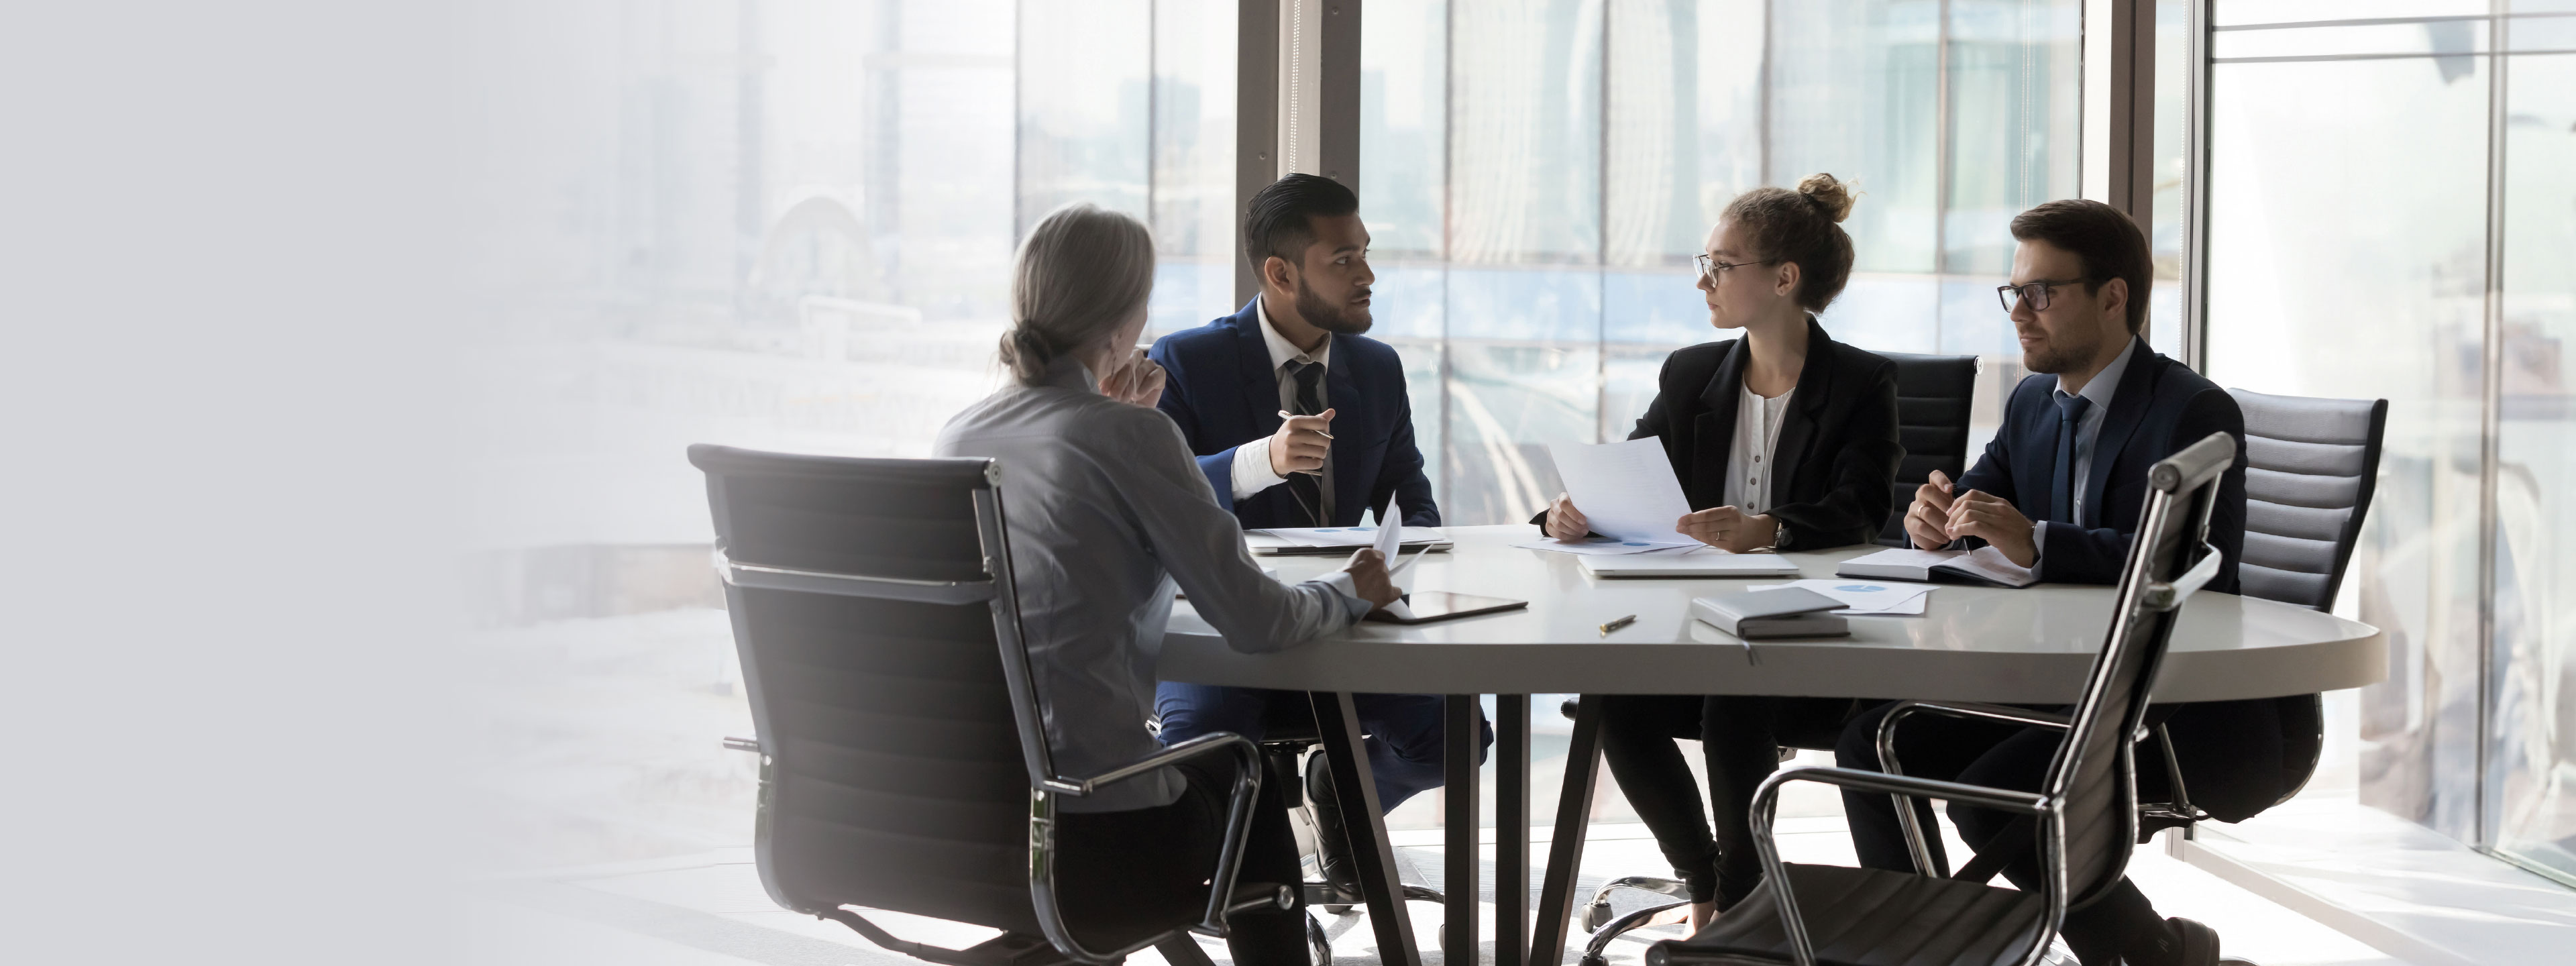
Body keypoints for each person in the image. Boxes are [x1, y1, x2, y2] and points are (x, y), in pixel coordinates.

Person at [934, 203, 1399, 965]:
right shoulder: (1129, 435)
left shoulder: (959, 435)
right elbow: (1258, 623)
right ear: (1126, 317)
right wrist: (1350, 589)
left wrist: (1115, 423)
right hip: (1096, 829)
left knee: (1204, 771)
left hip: (978, 821)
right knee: (1235, 774)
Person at [1838, 198, 2262, 966]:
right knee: (1871, 744)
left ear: (2112, 296)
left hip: (2160, 703)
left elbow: (2202, 566)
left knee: (2008, 797)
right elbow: (1976, 499)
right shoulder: (2035, 399)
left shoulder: (2193, 410)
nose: (2019, 315)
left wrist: (2036, 540)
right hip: (2048, 682)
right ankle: (1920, 949)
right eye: (2014, 294)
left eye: (2041, 293)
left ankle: (2151, 953)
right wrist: (1934, 516)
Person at [1535, 174, 1902, 930]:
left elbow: (1863, 509)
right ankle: (1705, 887)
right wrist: (1568, 514)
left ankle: (1740, 903)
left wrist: (1766, 528)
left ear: (1783, 279)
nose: (1705, 279)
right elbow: (1634, 474)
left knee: (1734, 699)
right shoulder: (1693, 372)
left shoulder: (1862, 382)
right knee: (1611, 701)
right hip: (1693, 619)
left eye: (1722, 264)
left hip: (1814, 635)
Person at [1147, 174, 1483, 894]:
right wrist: (1255, 463)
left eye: (1364, 254)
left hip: (1342, 621)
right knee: (1206, 757)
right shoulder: (1185, 361)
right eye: (1343, 260)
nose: (1367, 275)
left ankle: (1342, 788)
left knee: (1459, 739)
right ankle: (1241, 898)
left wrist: (1405, 569)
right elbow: (1155, 498)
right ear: (1280, 272)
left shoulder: (1377, 368)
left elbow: (1412, 501)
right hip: (1225, 631)